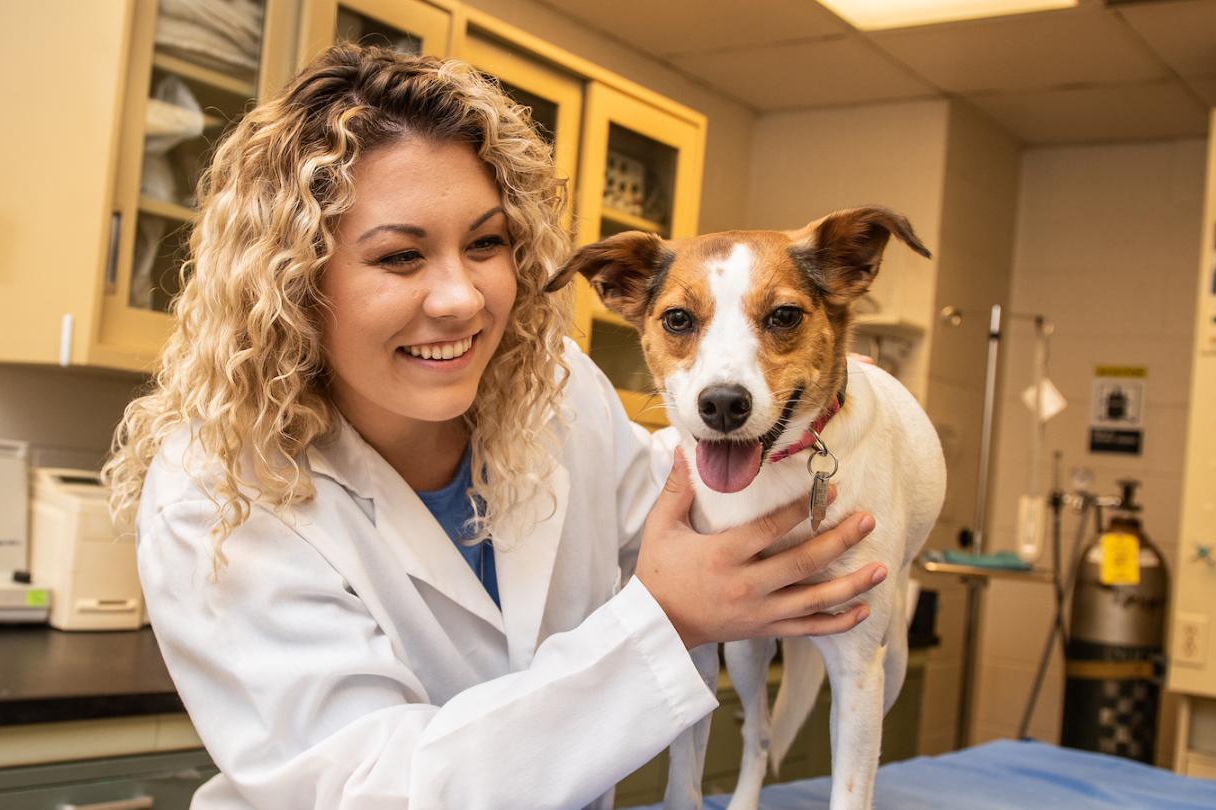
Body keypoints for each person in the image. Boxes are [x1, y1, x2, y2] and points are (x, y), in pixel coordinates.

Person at [100, 44, 887, 810]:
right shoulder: (216, 495)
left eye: (485, 243)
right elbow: (379, 792)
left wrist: (824, 420)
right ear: (295, 282)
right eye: (401, 257)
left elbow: (672, 512)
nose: (462, 299)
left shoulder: (556, 389)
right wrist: (665, 619)